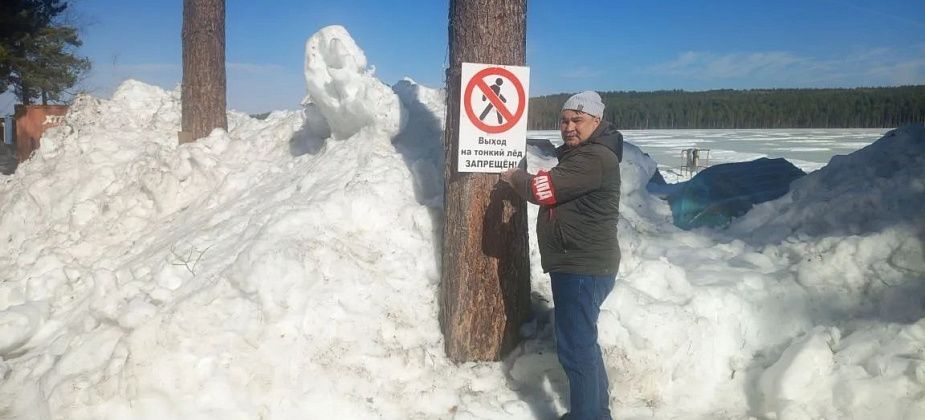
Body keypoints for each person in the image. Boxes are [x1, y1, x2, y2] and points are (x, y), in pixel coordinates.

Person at [500, 90, 622, 420]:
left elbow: (544, 190)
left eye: (577, 120)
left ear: (597, 121)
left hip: (582, 267)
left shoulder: (594, 158)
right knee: (583, 343)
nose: (568, 127)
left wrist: (514, 176)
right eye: (564, 120)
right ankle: (595, 412)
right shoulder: (584, 155)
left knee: (576, 348)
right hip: (579, 264)